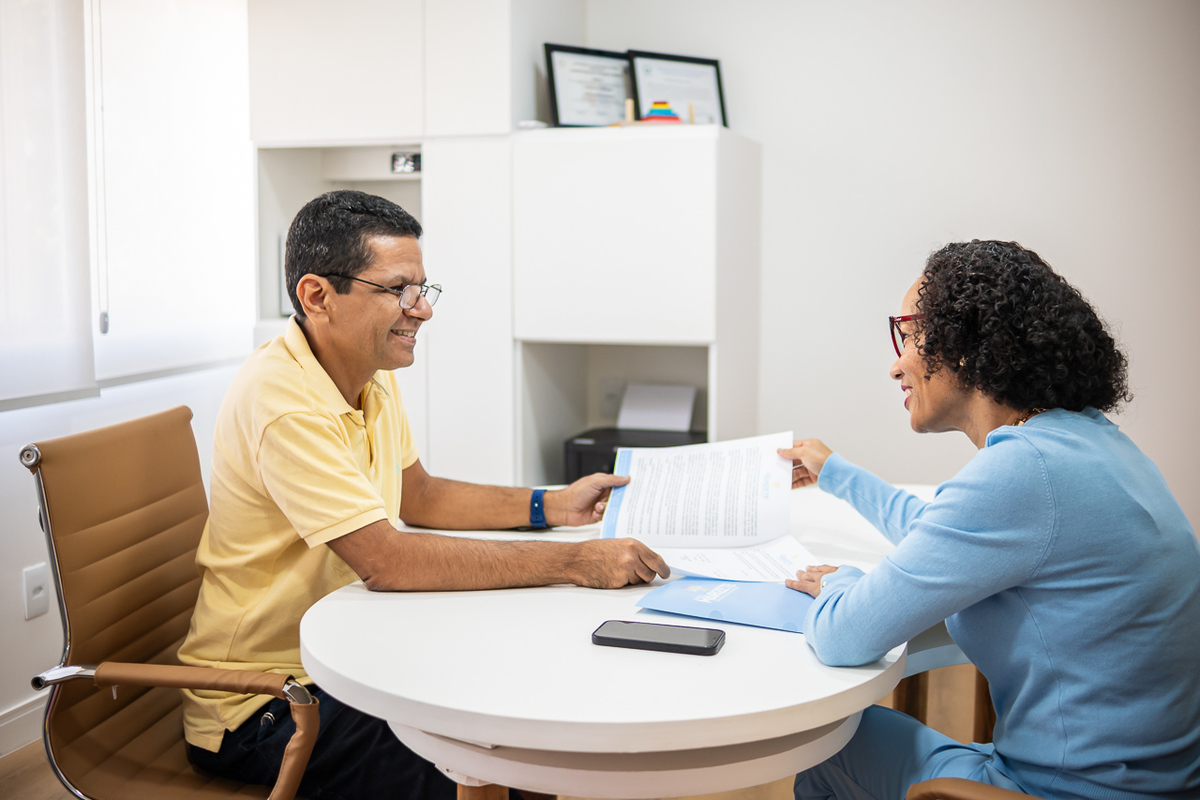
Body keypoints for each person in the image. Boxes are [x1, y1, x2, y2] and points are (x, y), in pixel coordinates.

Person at [178, 190, 669, 800]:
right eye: (398, 290)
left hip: (349, 655)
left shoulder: (368, 376)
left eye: (423, 289)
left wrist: (552, 505)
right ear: (317, 296)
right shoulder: (283, 402)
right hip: (267, 706)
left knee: (525, 712)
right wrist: (577, 561)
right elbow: (386, 562)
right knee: (511, 769)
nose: (422, 310)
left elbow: (420, 495)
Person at [782, 240, 1200, 800]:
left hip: (1065, 789)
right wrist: (835, 471)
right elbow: (944, 533)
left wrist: (841, 584)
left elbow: (841, 636)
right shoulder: (1088, 441)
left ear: (964, 342)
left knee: (828, 741)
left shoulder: (1023, 471)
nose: (896, 362)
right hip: (1156, 784)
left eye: (909, 333)